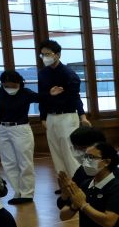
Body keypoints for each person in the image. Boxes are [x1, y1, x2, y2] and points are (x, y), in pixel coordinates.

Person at [38, 39, 89, 184]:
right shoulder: (42, 74)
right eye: (42, 55)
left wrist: (82, 116)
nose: (45, 57)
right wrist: (43, 117)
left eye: (48, 54)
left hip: (67, 116)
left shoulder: (69, 73)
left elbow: (75, 97)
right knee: (56, 153)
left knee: (69, 152)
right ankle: (65, 184)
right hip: (50, 117)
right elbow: (42, 96)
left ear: (58, 55)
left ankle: (78, 183)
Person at [0, 70, 38, 205]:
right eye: (5, 84)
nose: (8, 87)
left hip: (21, 129)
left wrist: (52, 94)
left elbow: (42, 98)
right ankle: (18, 192)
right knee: (8, 163)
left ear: (18, 82)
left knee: (25, 162)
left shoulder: (26, 93)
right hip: (3, 129)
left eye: (11, 84)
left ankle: (27, 193)